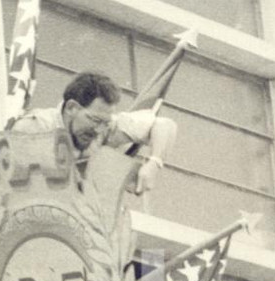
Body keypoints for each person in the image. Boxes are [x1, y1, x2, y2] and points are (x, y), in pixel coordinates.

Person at [10, 71, 176, 195]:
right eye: (94, 120)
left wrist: (155, 162)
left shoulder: (105, 127)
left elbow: (165, 125)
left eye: (105, 122)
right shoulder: (34, 128)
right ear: (71, 108)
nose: (99, 130)